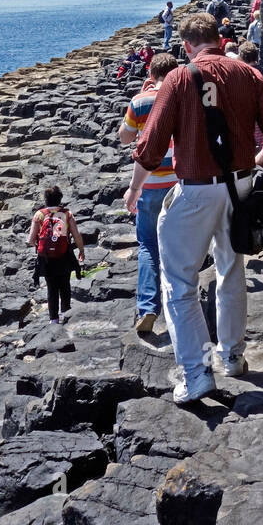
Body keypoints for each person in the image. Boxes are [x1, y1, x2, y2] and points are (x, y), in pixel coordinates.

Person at [125, 12, 263, 404]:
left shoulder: (180, 78)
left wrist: (135, 191)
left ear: (186, 46)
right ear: (218, 38)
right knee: (231, 270)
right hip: (242, 187)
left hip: (197, 191)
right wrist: (261, 161)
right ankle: (231, 356)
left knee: (179, 283)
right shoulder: (247, 74)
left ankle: (197, 373)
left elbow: (149, 148)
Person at [118, 52, 178, 334]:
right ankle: (179, 304)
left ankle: (147, 307)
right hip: (181, 181)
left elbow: (125, 137)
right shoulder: (183, 98)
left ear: (150, 74)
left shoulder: (140, 101)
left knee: (148, 246)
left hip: (149, 183)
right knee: (180, 245)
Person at [28, 186, 86, 324]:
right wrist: (81, 250)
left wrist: (42, 246)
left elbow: (30, 240)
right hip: (64, 255)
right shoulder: (67, 214)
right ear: (60, 199)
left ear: (45, 200)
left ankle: (53, 319)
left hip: (46, 259)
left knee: (51, 288)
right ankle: (66, 313)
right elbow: (76, 235)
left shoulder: (39, 215)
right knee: (65, 285)